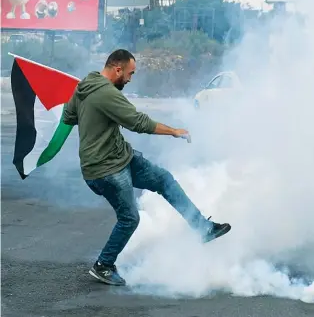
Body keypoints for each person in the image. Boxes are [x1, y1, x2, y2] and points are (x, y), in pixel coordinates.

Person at [63, 49, 231, 286]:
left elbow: (69, 117)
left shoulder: (84, 86)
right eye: (130, 74)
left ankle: (202, 228)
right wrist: (173, 131)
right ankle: (103, 265)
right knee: (129, 218)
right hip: (106, 169)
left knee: (164, 179)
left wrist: (92, 115)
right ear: (117, 69)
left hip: (122, 157)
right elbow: (138, 122)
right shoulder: (105, 94)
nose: (131, 79)